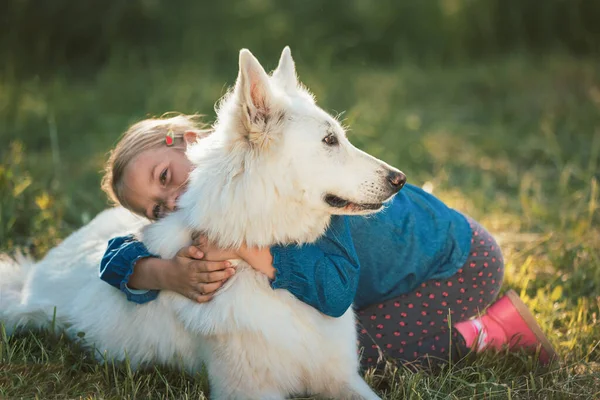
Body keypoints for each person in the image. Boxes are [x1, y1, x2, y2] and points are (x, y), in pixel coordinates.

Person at [99, 114, 557, 369]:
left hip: (456, 264)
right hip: (392, 261)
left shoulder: (281, 174)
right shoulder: (203, 209)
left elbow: (335, 292)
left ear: (188, 140)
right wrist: (161, 272)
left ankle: (487, 333)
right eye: (156, 207)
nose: (172, 199)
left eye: (164, 176)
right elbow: (116, 251)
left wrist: (249, 250)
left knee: (338, 357)